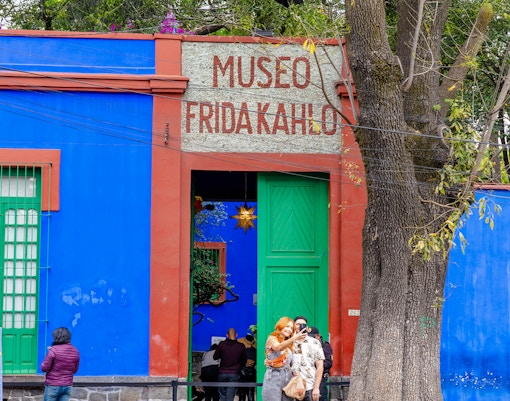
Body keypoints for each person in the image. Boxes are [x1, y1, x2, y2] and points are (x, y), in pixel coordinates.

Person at [262, 316, 308, 401]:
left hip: (288, 377)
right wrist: (294, 338)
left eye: (291, 328)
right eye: (287, 326)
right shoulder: (272, 338)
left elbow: (292, 363)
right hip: (273, 377)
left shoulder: (289, 342)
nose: (289, 330)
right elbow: (278, 347)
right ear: (280, 326)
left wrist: (297, 376)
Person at [41, 327, 80, 401]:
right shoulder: (75, 351)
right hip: (67, 385)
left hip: (53, 385)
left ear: (56, 337)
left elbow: (44, 368)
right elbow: (74, 370)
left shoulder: (53, 350)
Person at [293, 316, 325, 401]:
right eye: (298, 324)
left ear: (306, 327)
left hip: (310, 386)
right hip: (291, 386)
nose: (300, 326)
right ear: (293, 326)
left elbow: (320, 366)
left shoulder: (314, 342)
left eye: (303, 324)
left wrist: (316, 388)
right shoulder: (288, 342)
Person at [213, 328, 247, 401]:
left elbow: (215, 357)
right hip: (235, 373)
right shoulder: (241, 346)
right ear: (236, 335)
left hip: (222, 373)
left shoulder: (222, 344)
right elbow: (244, 361)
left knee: (222, 396)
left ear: (227, 335)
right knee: (230, 397)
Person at [308, 327, 333, 401]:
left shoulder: (324, 346)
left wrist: (316, 364)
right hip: (308, 376)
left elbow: (328, 363)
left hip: (320, 376)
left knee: (320, 397)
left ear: (318, 336)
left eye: (313, 337)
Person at [237, 334, 256, 401]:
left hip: (242, 371)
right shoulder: (255, 348)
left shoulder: (240, 347)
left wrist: (245, 362)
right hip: (252, 372)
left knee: (242, 394)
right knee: (251, 393)